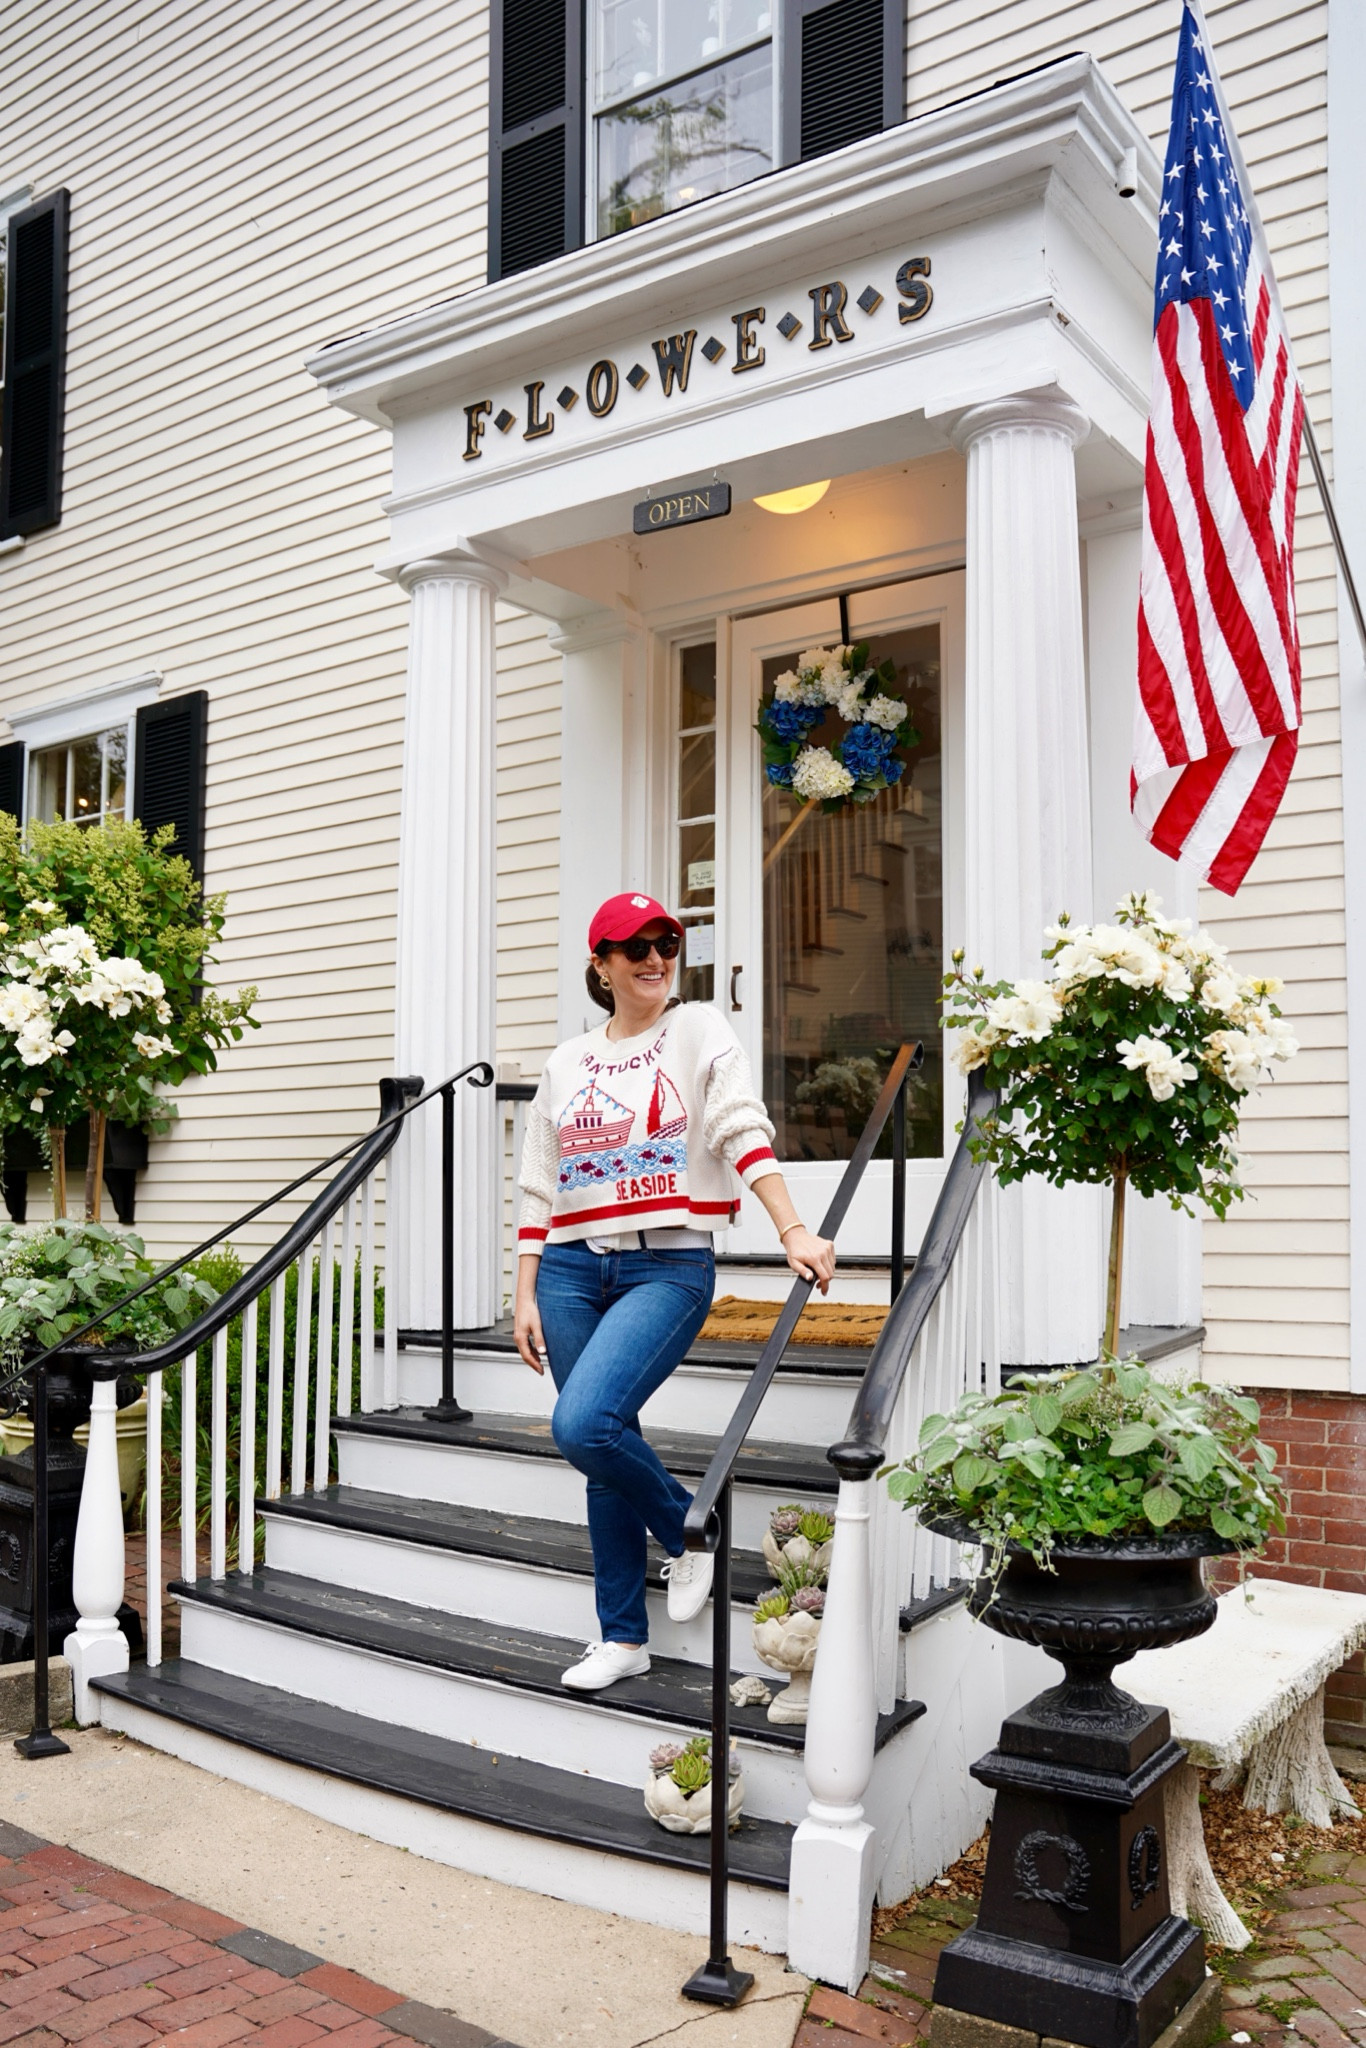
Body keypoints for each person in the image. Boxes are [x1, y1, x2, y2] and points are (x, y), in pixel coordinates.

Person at [513, 891, 837, 1691]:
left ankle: (691, 1530)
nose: (655, 957)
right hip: (568, 1269)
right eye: (634, 947)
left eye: (666, 941)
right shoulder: (566, 1062)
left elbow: (738, 1126)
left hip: (668, 1267)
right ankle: (623, 1638)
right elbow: (537, 1183)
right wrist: (523, 1292)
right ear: (601, 966)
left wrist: (792, 1227)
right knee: (599, 1450)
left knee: (583, 1423)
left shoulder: (697, 1030)